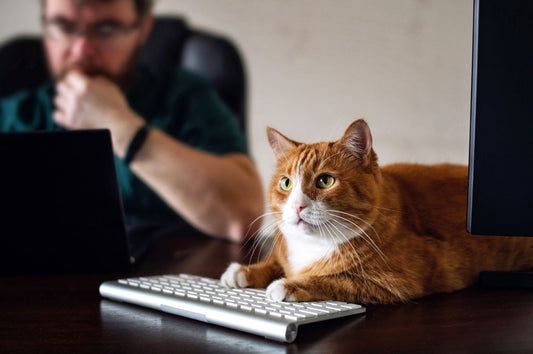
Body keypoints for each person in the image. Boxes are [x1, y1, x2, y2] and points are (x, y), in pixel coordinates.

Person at [0, 0, 264, 243]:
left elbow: (246, 216)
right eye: (63, 27)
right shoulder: (15, 114)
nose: (81, 49)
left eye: (105, 29)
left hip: (161, 281)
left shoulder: (186, 98)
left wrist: (119, 126)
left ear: (144, 29)